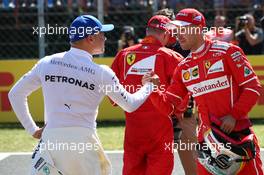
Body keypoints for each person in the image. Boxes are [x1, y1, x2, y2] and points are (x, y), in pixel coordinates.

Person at [8, 15, 156, 175]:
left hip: (51, 139)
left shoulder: (47, 62)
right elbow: (131, 104)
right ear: (90, 39)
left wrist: (33, 129)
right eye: (101, 34)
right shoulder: (101, 72)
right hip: (83, 141)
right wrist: (148, 86)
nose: (105, 38)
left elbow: (15, 94)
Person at [145, 8, 264, 175]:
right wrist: (153, 89)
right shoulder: (183, 67)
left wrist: (234, 115)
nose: (178, 35)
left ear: (199, 28)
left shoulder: (227, 51)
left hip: (238, 138)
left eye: (183, 29)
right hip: (207, 145)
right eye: (176, 30)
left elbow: (253, 87)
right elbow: (168, 107)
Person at [111, 15, 183, 175]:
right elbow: (182, 97)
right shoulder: (172, 57)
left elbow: (112, 93)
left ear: (147, 32)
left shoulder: (123, 55)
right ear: (165, 34)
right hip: (160, 132)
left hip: (133, 131)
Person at [154, 8, 197, 175]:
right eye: (158, 26)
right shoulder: (150, 48)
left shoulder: (185, 46)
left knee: (188, 146)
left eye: (165, 25)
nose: (162, 29)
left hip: (183, 106)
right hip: (161, 107)